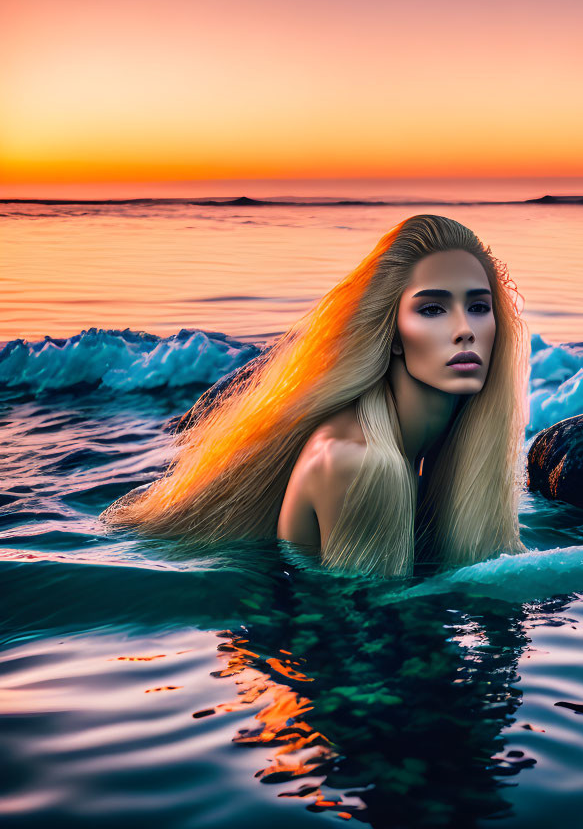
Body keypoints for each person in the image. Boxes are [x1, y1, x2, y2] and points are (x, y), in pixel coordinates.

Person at [101, 214, 528, 576]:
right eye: (432, 309)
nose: (465, 329)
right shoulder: (360, 463)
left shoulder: (424, 456)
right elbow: (372, 646)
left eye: (478, 306)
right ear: (392, 334)